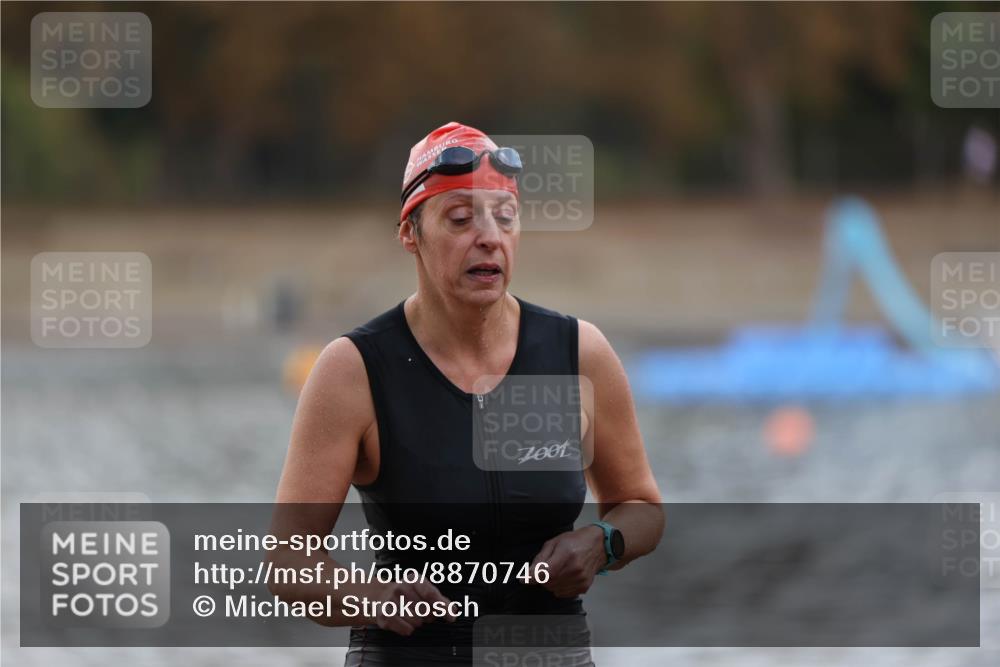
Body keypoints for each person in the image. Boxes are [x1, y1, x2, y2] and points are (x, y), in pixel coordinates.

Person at [269, 122, 664, 665]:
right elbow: (289, 561)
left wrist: (602, 543)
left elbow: (642, 509)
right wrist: (373, 597)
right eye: (460, 219)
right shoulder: (353, 369)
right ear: (411, 233)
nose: (489, 237)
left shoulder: (578, 355)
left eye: (505, 216)